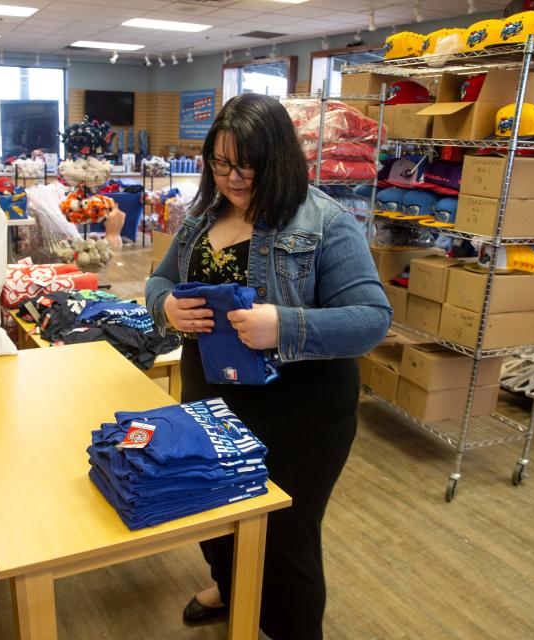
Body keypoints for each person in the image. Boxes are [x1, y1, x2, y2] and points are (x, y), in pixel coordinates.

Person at [145, 93, 391, 640]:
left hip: (301, 411)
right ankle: (234, 589)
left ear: (278, 156)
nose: (233, 177)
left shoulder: (326, 222)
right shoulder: (201, 218)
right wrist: (164, 305)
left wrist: (283, 325)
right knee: (212, 508)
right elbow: (159, 280)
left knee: (285, 536)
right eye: (220, 163)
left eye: (246, 164)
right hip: (211, 398)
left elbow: (373, 319)